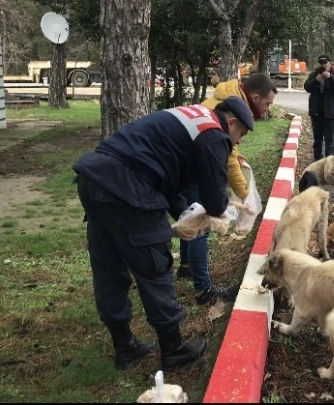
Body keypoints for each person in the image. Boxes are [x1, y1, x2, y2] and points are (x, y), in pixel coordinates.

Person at [73, 97, 255, 372]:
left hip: (94, 178)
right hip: (129, 188)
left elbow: (163, 174)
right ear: (231, 123)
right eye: (239, 136)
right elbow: (215, 200)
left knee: (108, 265)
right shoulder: (215, 135)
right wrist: (220, 213)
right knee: (155, 267)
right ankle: (173, 349)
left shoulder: (191, 116)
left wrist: (184, 213)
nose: (236, 143)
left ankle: (124, 346)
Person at [171, 73, 277, 306]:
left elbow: (229, 150)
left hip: (189, 162)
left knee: (189, 213)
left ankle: (187, 267)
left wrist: (234, 152)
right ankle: (203, 290)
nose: (267, 108)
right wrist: (245, 193)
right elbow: (225, 155)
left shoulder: (228, 98)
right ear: (256, 97)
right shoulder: (233, 110)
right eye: (267, 103)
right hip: (194, 167)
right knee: (202, 223)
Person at [304, 55, 334, 161]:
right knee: (317, 140)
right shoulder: (314, 74)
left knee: (330, 140)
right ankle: (317, 161)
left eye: (325, 63)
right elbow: (307, 87)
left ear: (330, 63)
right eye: (321, 63)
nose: (323, 65)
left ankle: (329, 163)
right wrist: (315, 80)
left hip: (331, 114)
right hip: (316, 113)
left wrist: (330, 77)